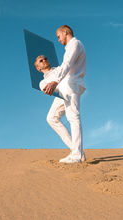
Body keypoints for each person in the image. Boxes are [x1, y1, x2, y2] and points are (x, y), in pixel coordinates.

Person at [35, 25, 86, 163]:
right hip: (63, 89)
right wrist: (51, 84)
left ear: (65, 32)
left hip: (70, 85)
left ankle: (77, 155)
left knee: (73, 117)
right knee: (51, 118)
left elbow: (67, 65)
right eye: (41, 61)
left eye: (58, 36)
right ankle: (75, 150)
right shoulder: (45, 78)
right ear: (38, 68)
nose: (58, 39)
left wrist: (55, 82)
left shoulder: (74, 44)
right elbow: (47, 84)